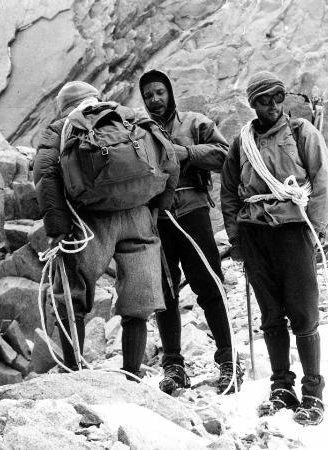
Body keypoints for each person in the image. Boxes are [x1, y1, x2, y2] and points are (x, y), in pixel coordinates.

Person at [33, 80, 179, 378]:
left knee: (71, 294)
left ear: (65, 106)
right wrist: (161, 204)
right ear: (97, 97)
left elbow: (45, 174)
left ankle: (74, 369)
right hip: (139, 215)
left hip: (92, 219)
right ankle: (132, 373)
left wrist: (58, 227)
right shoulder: (129, 115)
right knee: (138, 300)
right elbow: (170, 156)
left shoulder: (61, 126)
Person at [221, 71, 328, 425]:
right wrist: (237, 237)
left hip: (293, 229)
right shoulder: (242, 142)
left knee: (303, 313)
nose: (271, 106)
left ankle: (313, 392)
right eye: (262, 100)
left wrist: (312, 231)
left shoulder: (302, 132)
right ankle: (281, 388)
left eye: (276, 98)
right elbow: (228, 192)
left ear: (283, 99)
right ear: (252, 103)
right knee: (271, 314)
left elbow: (324, 179)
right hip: (255, 233)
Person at [138, 70, 243, 395]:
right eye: (149, 96)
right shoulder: (138, 133)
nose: (155, 99)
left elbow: (226, 155)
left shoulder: (195, 123)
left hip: (194, 212)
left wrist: (187, 153)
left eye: (159, 92)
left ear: (169, 92)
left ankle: (229, 361)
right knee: (165, 296)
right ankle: (173, 367)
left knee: (210, 285)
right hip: (159, 219)